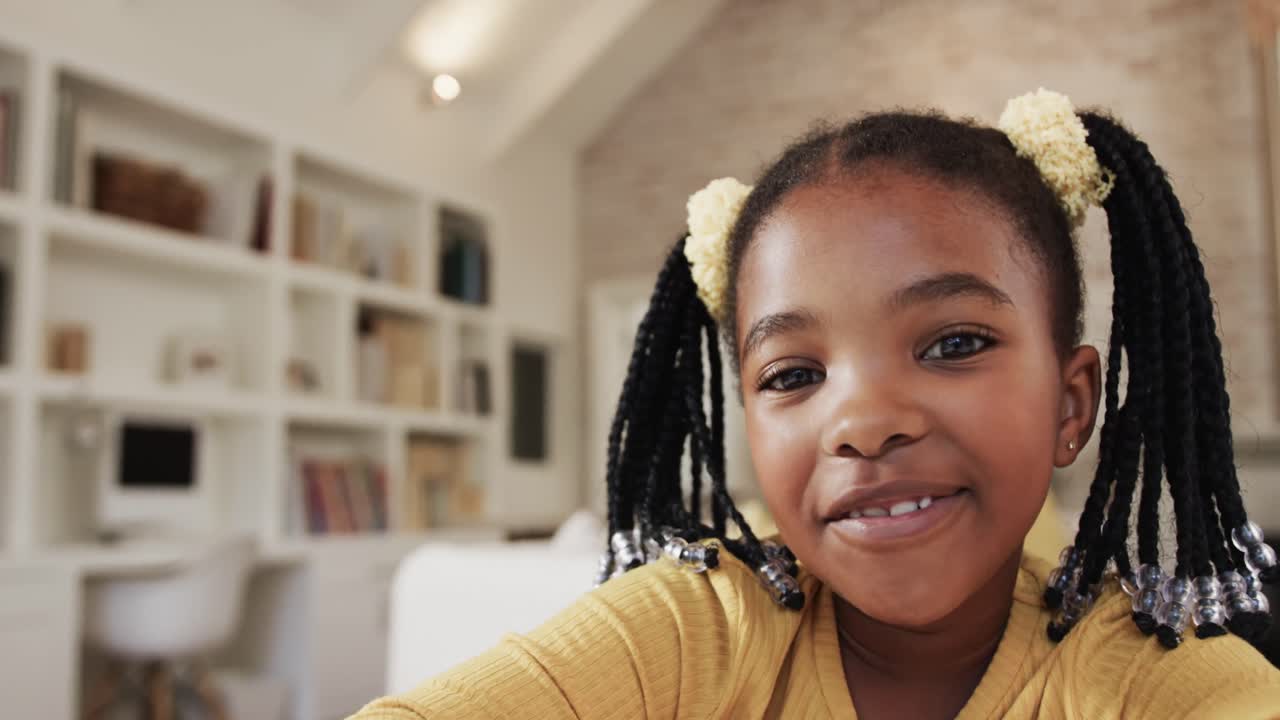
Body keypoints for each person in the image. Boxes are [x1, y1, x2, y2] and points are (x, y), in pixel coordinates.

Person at [352, 90, 1280, 718]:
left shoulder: (1161, 684)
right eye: (793, 374)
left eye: (954, 344)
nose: (865, 421)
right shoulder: (692, 629)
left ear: (1072, 404)